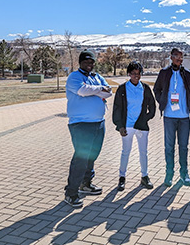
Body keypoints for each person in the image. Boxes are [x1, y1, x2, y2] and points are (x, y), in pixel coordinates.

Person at [64, 50, 112, 208]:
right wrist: (99, 90)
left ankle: (86, 183)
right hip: (81, 123)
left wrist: (95, 90)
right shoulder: (74, 77)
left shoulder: (96, 77)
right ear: (80, 63)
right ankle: (71, 193)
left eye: (92, 62)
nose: (89, 65)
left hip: (99, 122)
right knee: (81, 158)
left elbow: (109, 92)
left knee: (92, 155)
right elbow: (82, 91)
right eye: (86, 62)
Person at [153, 48, 190, 187]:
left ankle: (184, 173)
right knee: (169, 147)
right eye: (177, 56)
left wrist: (189, 106)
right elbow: (156, 90)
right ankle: (169, 174)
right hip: (169, 117)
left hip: (184, 117)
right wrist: (162, 102)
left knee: (183, 147)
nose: (179, 59)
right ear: (171, 57)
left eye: (181, 57)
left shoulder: (187, 75)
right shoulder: (164, 73)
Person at [112, 61, 156, 191]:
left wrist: (145, 119)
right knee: (125, 152)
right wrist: (120, 125)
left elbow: (152, 107)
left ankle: (145, 176)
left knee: (143, 152)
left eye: (138, 73)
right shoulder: (122, 89)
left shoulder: (145, 88)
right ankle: (122, 177)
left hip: (141, 127)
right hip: (127, 127)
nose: (136, 76)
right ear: (129, 74)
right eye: (133, 73)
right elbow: (117, 109)